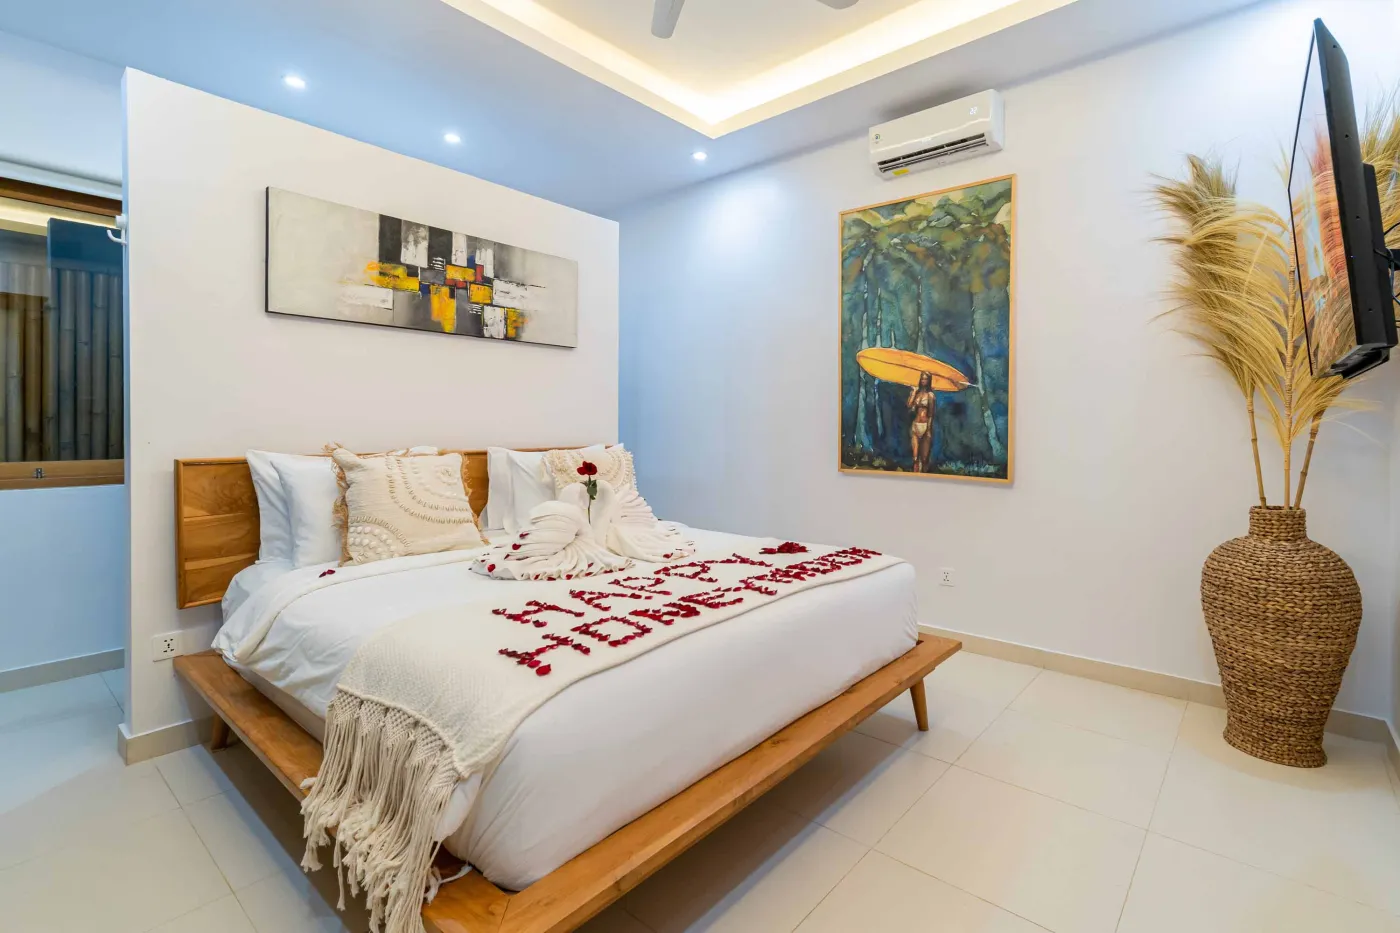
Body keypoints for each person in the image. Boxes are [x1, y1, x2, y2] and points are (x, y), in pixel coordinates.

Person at [907, 372, 935, 473]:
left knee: (924, 459)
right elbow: (909, 405)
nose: (923, 381)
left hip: (925, 426)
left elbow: (931, 414)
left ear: (929, 381)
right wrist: (914, 391)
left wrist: (928, 430)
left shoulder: (930, 395)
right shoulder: (917, 393)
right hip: (915, 426)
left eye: (925, 379)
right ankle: (915, 478)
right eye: (922, 379)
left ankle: (924, 479)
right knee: (915, 458)